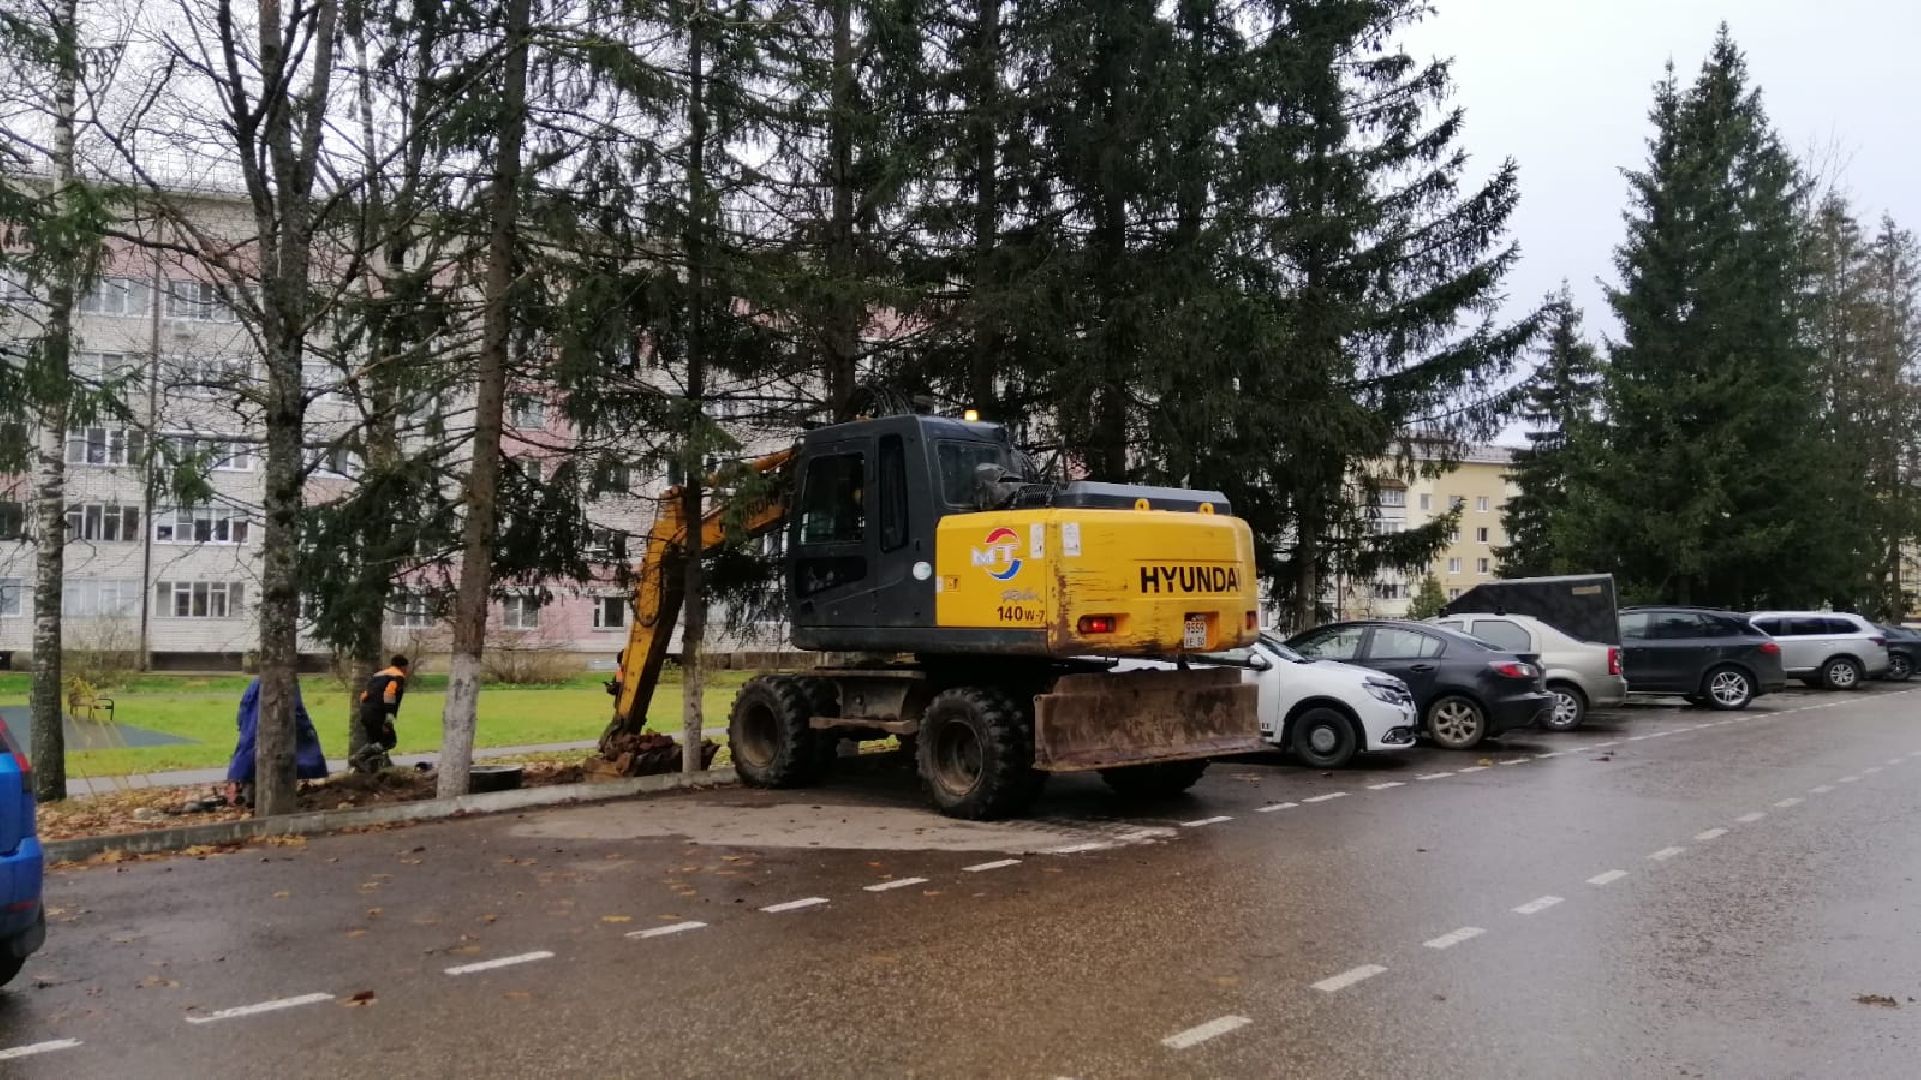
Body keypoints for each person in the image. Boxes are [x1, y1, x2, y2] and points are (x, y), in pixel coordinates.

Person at [225, 677, 329, 807]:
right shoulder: (284, 683)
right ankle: (259, 794)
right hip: (271, 717)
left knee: (251, 751)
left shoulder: (258, 685)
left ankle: (251, 792)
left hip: (258, 723)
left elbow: (244, 711)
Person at [350, 655, 410, 774]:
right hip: (378, 712)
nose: (407, 670)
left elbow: (364, 695)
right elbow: (389, 694)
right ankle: (358, 758)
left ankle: (371, 770)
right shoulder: (398, 676)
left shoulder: (378, 675)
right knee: (389, 741)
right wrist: (388, 718)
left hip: (365, 710)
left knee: (374, 741)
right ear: (403, 667)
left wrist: (366, 710)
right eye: (406, 667)